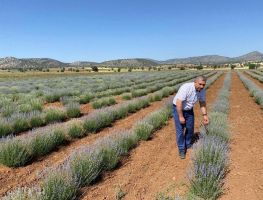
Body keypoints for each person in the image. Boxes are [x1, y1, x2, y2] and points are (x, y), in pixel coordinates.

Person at [172, 76, 209, 159]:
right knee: (180, 129)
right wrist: (181, 117)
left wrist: (205, 115)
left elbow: (202, 103)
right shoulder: (186, 87)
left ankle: (188, 144)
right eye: (200, 84)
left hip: (189, 110)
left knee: (190, 128)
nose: (202, 86)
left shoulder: (202, 91)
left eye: (204, 85)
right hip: (178, 108)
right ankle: (181, 149)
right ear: (195, 82)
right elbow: (179, 102)